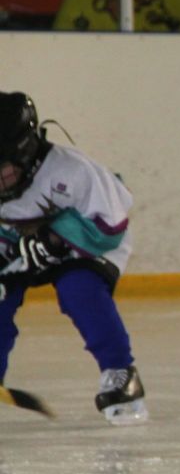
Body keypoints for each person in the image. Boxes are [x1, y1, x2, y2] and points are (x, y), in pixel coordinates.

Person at [0, 92, 148, 425]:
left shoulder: (74, 171)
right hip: (22, 246)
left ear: (24, 153)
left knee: (79, 289)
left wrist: (52, 240)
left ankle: (121, 373)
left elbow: (110, 228)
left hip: (92, 244)